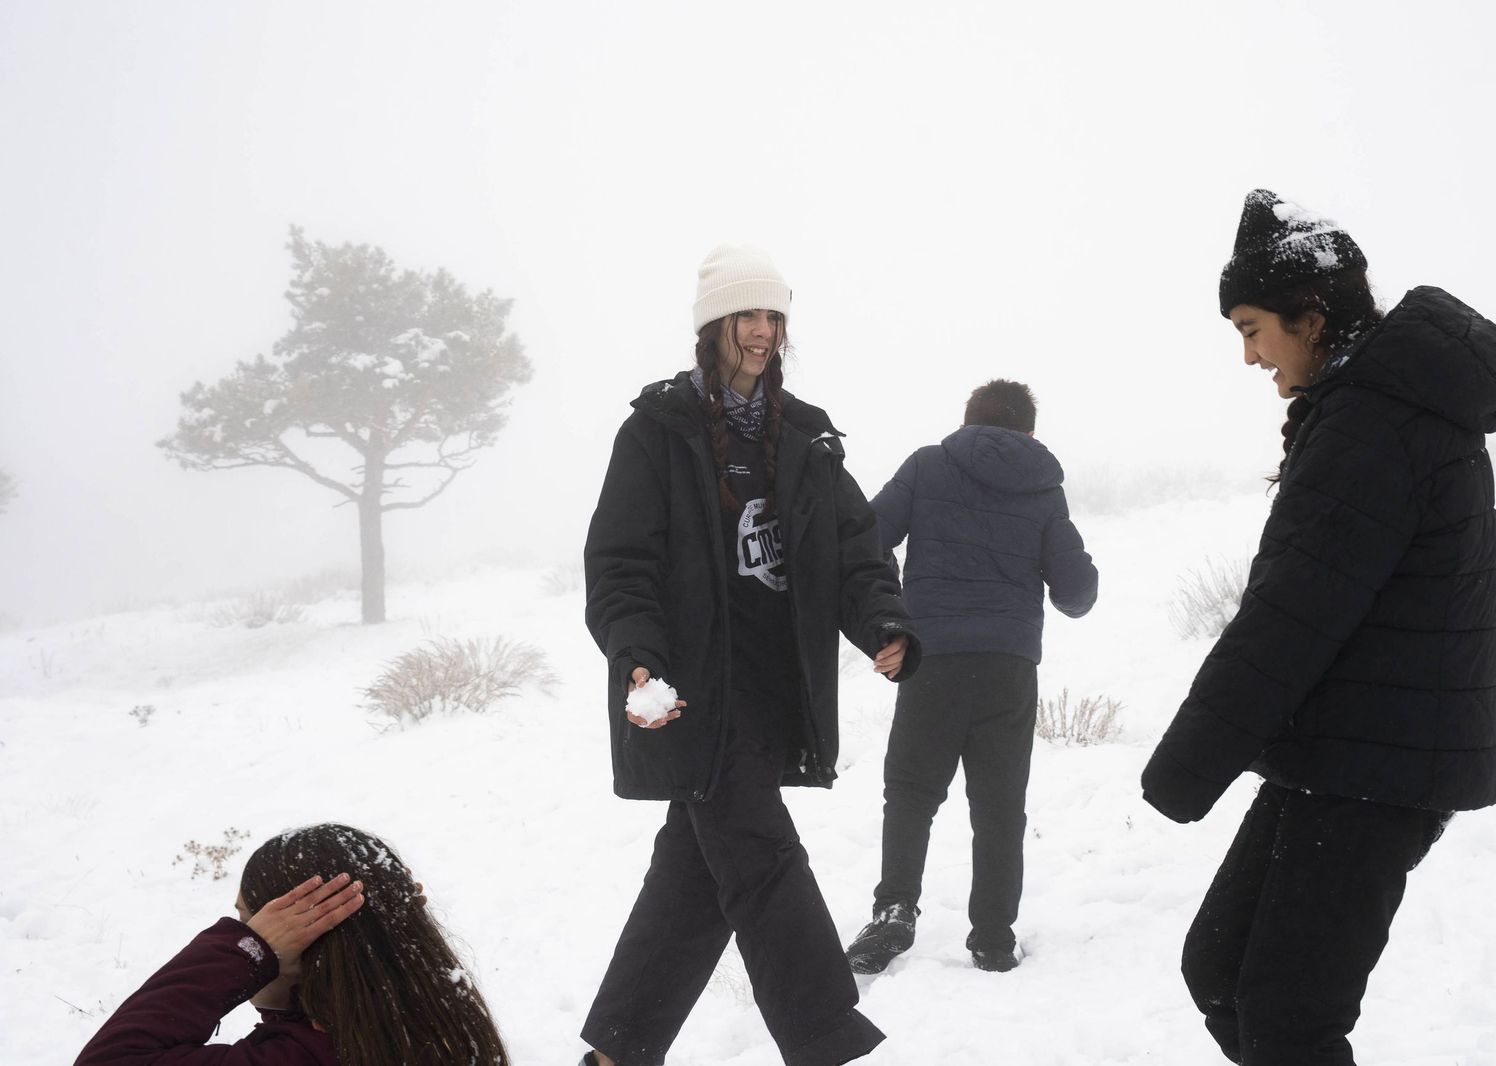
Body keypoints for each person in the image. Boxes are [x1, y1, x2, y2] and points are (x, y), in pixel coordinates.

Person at [1141, 189, 1496, 1065]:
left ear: (1310, 318)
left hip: (1382, 762)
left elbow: (1295, 612)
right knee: (1223, 971)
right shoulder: (1370, 407)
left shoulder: (1373, 422)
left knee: (1286, 1017)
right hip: (1341, 751)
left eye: (1252, 328)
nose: (1248, 356)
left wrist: (1187, 766)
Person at [580, 244, 920, 1066]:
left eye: (774, 317)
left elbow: (854, 551)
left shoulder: (802, 436)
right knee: (763, 860)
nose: (764, 333)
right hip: (692, 693)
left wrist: (884, 622)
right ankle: (827, 1044)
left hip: (774, 692)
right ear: (713, 327)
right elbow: (620, 564)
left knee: (696, 880)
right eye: (748, 316)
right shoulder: (657, 433)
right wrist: (636, 656)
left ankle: (617, 1052)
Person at [842, 379, 1098, 975]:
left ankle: (894, 915)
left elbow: (866, 538)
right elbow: (1076, 594)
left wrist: (892, 617)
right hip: (1009, 667)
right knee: (1001, 807)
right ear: (1028, 432)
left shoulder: (930, 465)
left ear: (968, 422)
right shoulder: (1045, 489)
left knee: (910, 794)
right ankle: (993, 938)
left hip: (933, 658)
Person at [74, 823, 510, 1066]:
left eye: (254, 921)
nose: (251, 933)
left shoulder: (300, 1058)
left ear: (310, 944)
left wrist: (245, 951)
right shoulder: (435, 1027)